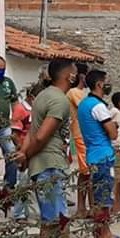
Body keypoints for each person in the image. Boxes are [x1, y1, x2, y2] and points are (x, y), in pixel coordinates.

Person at [11, 59, 77, 237]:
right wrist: (26, 155)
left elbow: (32, 133)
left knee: (51, 224)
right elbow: (40, 136)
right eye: (75, 73)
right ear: (68, 76)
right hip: (50, 165)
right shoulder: (59, 100)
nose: (77, 77)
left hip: (42, 165)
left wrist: (25, 154)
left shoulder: (43, 96)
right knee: (57, 223)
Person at [77, 70, 118, 238]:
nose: (108, 84)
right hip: (104, 156)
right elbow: (113, 134)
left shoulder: (84, 104)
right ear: (99, 84)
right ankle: (105, 232)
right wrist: (114, 126)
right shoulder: (98, 106)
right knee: (104, 198)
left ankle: (98, 231)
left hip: (92, 155)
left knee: (96, 196)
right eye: (106, 81)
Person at [10, 83, 42, 223]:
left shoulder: (38, 110)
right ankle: (19, 214)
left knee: (39, 182)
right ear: (31, 97)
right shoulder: (21, 109)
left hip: (37, 150)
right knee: (23, 182)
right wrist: (22, 150)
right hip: (25, 150)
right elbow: (15, 134)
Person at [67, 63, 91, 219]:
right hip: (80, 135)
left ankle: (86, 207)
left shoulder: (85, 93)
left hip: (88, 136)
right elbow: (87, 109)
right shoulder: (74, 92)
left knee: (88, 172)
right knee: (87, 172)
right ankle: (83, 207)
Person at [0, 56, 19, 197]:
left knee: (12, 155)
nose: (1, 71)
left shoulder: (8, 83)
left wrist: (16, 122)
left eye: (3, 69)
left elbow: (15, 103)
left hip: (5, 127)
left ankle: (9, 187)